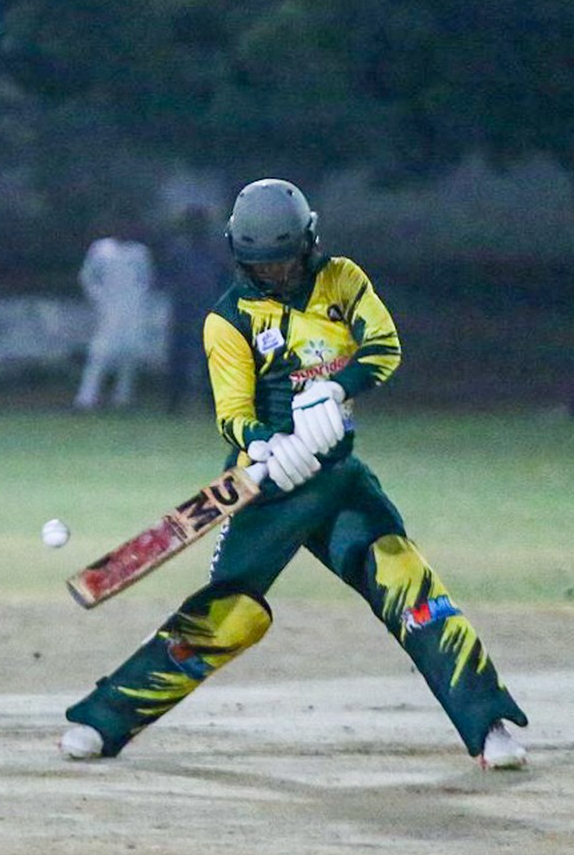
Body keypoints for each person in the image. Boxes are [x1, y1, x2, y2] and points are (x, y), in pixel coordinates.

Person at [59, 178, 529, 769]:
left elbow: (383, 347)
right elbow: (233, 414)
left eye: (284, 262)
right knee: (229, 616)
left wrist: (337, 389)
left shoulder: (342, 280)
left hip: (339, 479)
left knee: (407, 581)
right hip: (268, 488)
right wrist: (267, 445)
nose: (276, 275)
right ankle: (103, 720)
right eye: (262, 266)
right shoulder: (227, 319)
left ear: (308, 242)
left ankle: (487, 726)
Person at [157, 206, 230, 414]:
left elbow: (224, 279)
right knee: (179, 357)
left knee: (209, 357)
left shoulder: (215, 252)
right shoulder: (179, 251)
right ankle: (175, 401)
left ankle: (210, 401)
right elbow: (166, 278)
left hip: (207, 310)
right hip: (184, 310)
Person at [73, 231, 154, 410]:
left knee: (130, 352)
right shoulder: (101, 249)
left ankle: (122, 397)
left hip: (132, 310)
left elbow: (146, 280)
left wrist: (138, 302)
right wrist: (99, 299)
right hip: (108, 310)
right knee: (99, 353)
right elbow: (87, 277)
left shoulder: (139, 252)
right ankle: (86, 398)